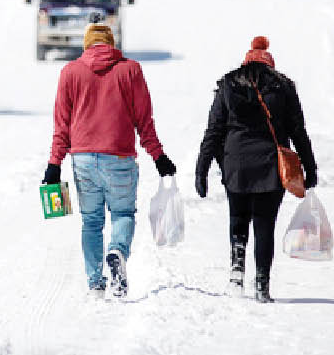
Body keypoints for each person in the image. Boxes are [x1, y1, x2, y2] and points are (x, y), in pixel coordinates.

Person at [43, 20, 176, 298]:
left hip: (83, 161)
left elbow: (62, 125)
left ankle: (95, 283)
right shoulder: (131, 70)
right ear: (111, 44)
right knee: (123, 214)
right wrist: (159, 156)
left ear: (86, 44)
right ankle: (117, 251)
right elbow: (144, 121)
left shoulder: (70, 72)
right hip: (119, 158)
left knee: (91, 221)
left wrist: (54, 164)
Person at [195, 36, 317, 303]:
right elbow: (298, 131)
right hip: (271, 166)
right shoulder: (284, 87)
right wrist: (309, 167)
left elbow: (214, 130)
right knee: (265, 224)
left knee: (238, 218)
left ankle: (236, 274)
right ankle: (262, 283)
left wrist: (201, 169)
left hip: (235, 165)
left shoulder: (227, 84)